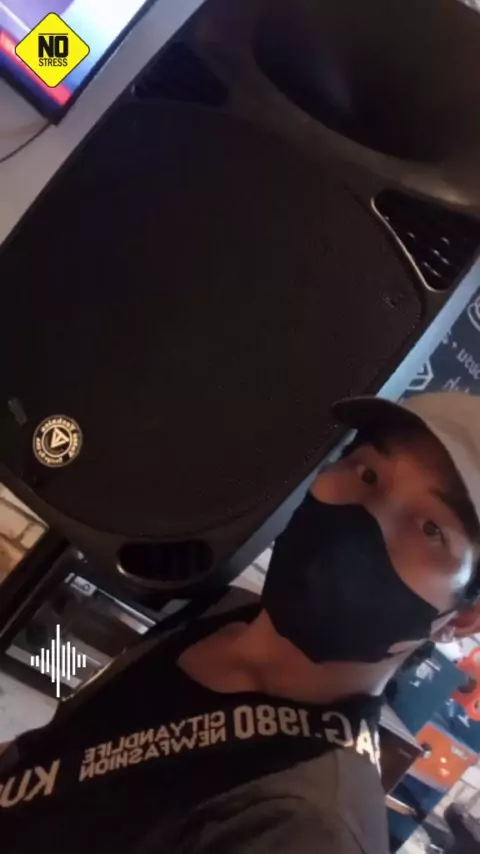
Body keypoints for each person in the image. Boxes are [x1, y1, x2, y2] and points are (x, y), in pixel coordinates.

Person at [1, 390, 480, 854]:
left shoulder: (307, 830)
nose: (367, 520)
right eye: (368, 473)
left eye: (431, 528)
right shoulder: (229, 613)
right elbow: (59, 761)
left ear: (462, 619)